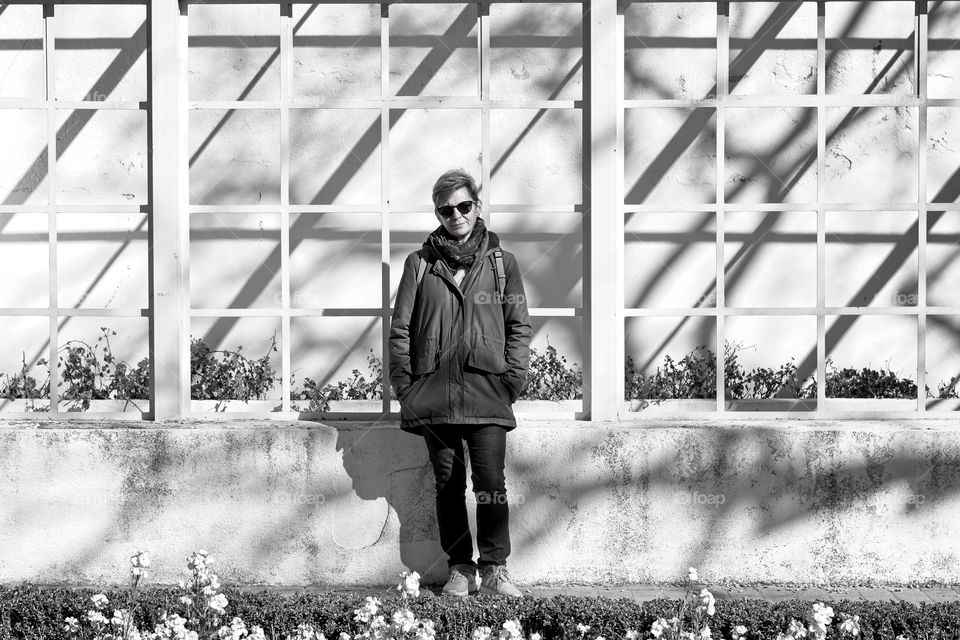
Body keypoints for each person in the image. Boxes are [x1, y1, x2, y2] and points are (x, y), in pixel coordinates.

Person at [389, 168, 532, 598]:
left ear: (477, 206)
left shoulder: (503, 264)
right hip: (434, 398)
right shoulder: (420, 264)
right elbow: (400, 330)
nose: (456, 215)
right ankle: (460, 569)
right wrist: (406, 390)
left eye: (464, 206)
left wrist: (511, 382)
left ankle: (495, 568)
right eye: (446, 209)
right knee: (448, 486)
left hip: (488, 393)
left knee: (491, 485)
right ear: (437, 213)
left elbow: (519, 326)